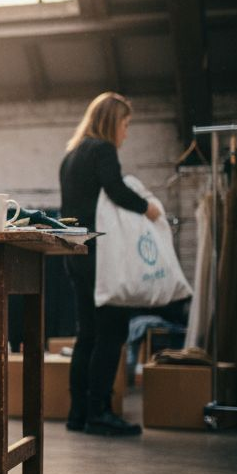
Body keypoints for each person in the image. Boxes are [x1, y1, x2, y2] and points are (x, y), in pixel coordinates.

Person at [60, 92, 158, 436]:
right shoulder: (102, 149)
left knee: (87, 334)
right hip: (102, 259)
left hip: (76, 254)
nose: (126, 133)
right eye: (125, 124)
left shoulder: (71, 155)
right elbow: (115, 189)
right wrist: (147, 207)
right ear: (112, 121)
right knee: (113, 331)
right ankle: (100, 412)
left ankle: (78, 413)